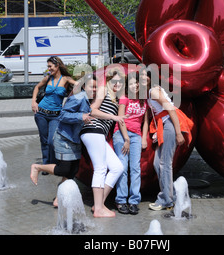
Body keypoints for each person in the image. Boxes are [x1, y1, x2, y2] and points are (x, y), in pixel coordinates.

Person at [139, 67, 193, 211]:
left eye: (146, 76)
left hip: (170, 124)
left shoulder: (153, 91)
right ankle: (171, 195)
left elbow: (170, 109)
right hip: (164, 124)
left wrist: (178, 132)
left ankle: (166, 200)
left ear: (151, 77)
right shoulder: (151, 91)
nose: (143, 78)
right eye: (141, 76)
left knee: (165, 163)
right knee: (158, 163)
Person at [30, 73, 96, 187]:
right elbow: (62, 114)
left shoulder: (87, 98)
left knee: (74, 170)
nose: (94, 89)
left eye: (96, 87)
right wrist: (81, 116)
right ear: (84, 87)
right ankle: (37, 167)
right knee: (63, 170)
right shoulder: (78, 97)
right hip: (64, 138)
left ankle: (58, 198)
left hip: (74, 139)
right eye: (91, 86)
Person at [80, 70, 126, 218]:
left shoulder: (116, 99)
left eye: (120, 82)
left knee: (117, 167)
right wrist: (115, 117)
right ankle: (99, 209)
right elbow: (92, 110)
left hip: (99, 134)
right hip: (93, 129)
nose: (117, 84)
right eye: (115, 81)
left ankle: (98, 204)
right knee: (100, 168)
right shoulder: (103, 91)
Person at [113, 71, 149, 215]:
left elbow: (145, 121)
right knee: (122, 167)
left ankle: (134, 200)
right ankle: (121, 200)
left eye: (137, 83)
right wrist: (126, 138)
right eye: (132, 83)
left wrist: (144, 137)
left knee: (135, 168)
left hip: (136, 136)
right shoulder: (124, 98)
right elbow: (120, 119)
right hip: (122, 134)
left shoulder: (143, 100)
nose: (135, 86)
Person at [31, 56, 76, 169]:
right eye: (48, 66)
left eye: (50, 66)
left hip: (55, 116)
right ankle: (46, 164)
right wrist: (33, 102)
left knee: (52, 141)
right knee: (44, 140)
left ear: (57, 66)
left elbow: (79, 86)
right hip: (41, 113)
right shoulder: (47, 78)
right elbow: (37, 87)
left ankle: (53, 163)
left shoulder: (66, 79)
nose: (49, 69)